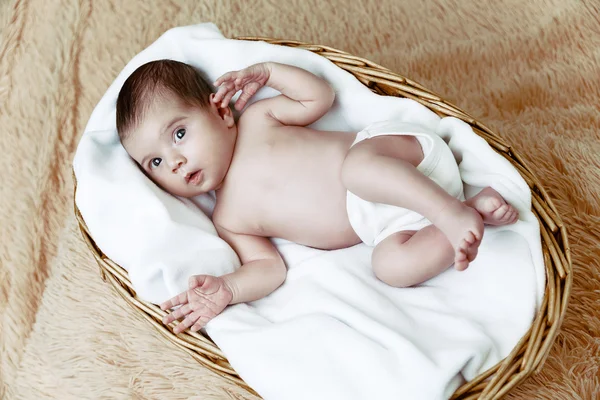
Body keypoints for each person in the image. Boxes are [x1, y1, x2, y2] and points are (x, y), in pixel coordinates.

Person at [116, 59, 518, 334]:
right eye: (154, 162)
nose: (174, 161)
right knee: (391, 267)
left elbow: (319, 97)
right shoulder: (228, 218)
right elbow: (268, 268)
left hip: (393, 158)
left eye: (179, 134)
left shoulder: (258, 120)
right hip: (391, 222)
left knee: (357, 171)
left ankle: (449, 212)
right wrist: (228, 289)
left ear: (221, 112)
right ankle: (468, 211)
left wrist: (269, 72)